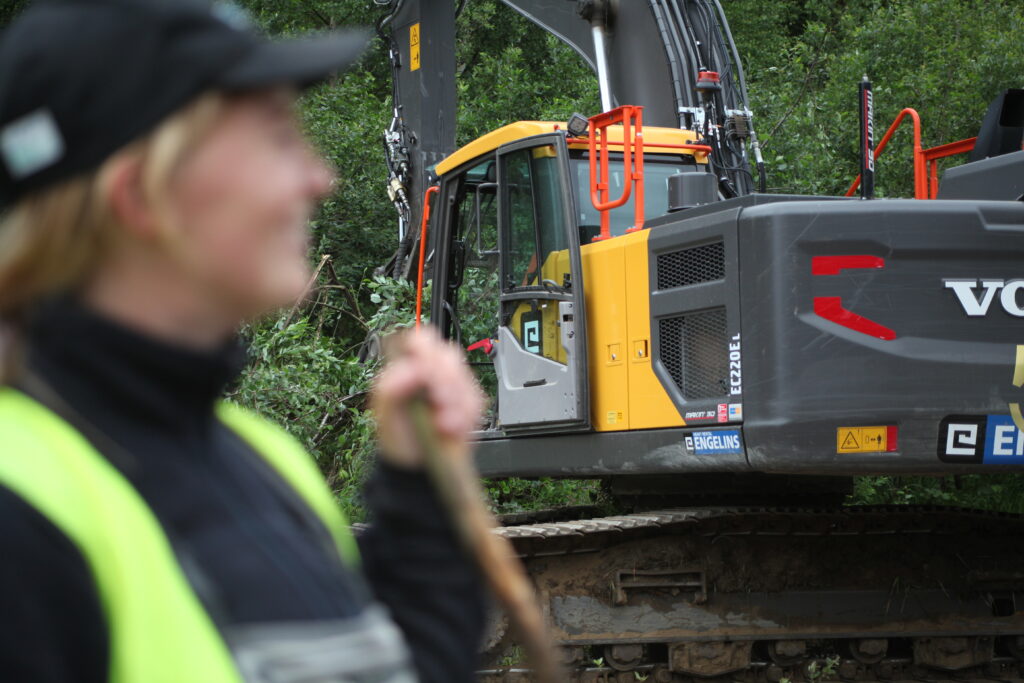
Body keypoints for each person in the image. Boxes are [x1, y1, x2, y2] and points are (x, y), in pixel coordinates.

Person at [0, 0, 487, 681]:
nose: (321, 179)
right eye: (276, 139)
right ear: (143, 196)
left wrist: (419, 491)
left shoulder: (264, 459)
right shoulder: (20, 514)